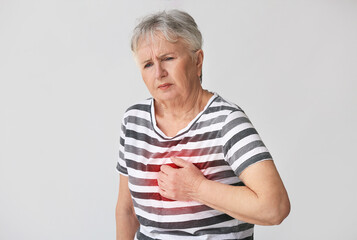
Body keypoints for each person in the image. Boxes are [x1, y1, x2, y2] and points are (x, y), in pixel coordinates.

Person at [115, 10, 290, 240]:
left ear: (197, 61)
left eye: (168, 58)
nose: (159, 73)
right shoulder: (134, 121)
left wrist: (196, 189)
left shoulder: (227, 121)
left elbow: (274, 208)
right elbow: (127, 212)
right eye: (148, 64)